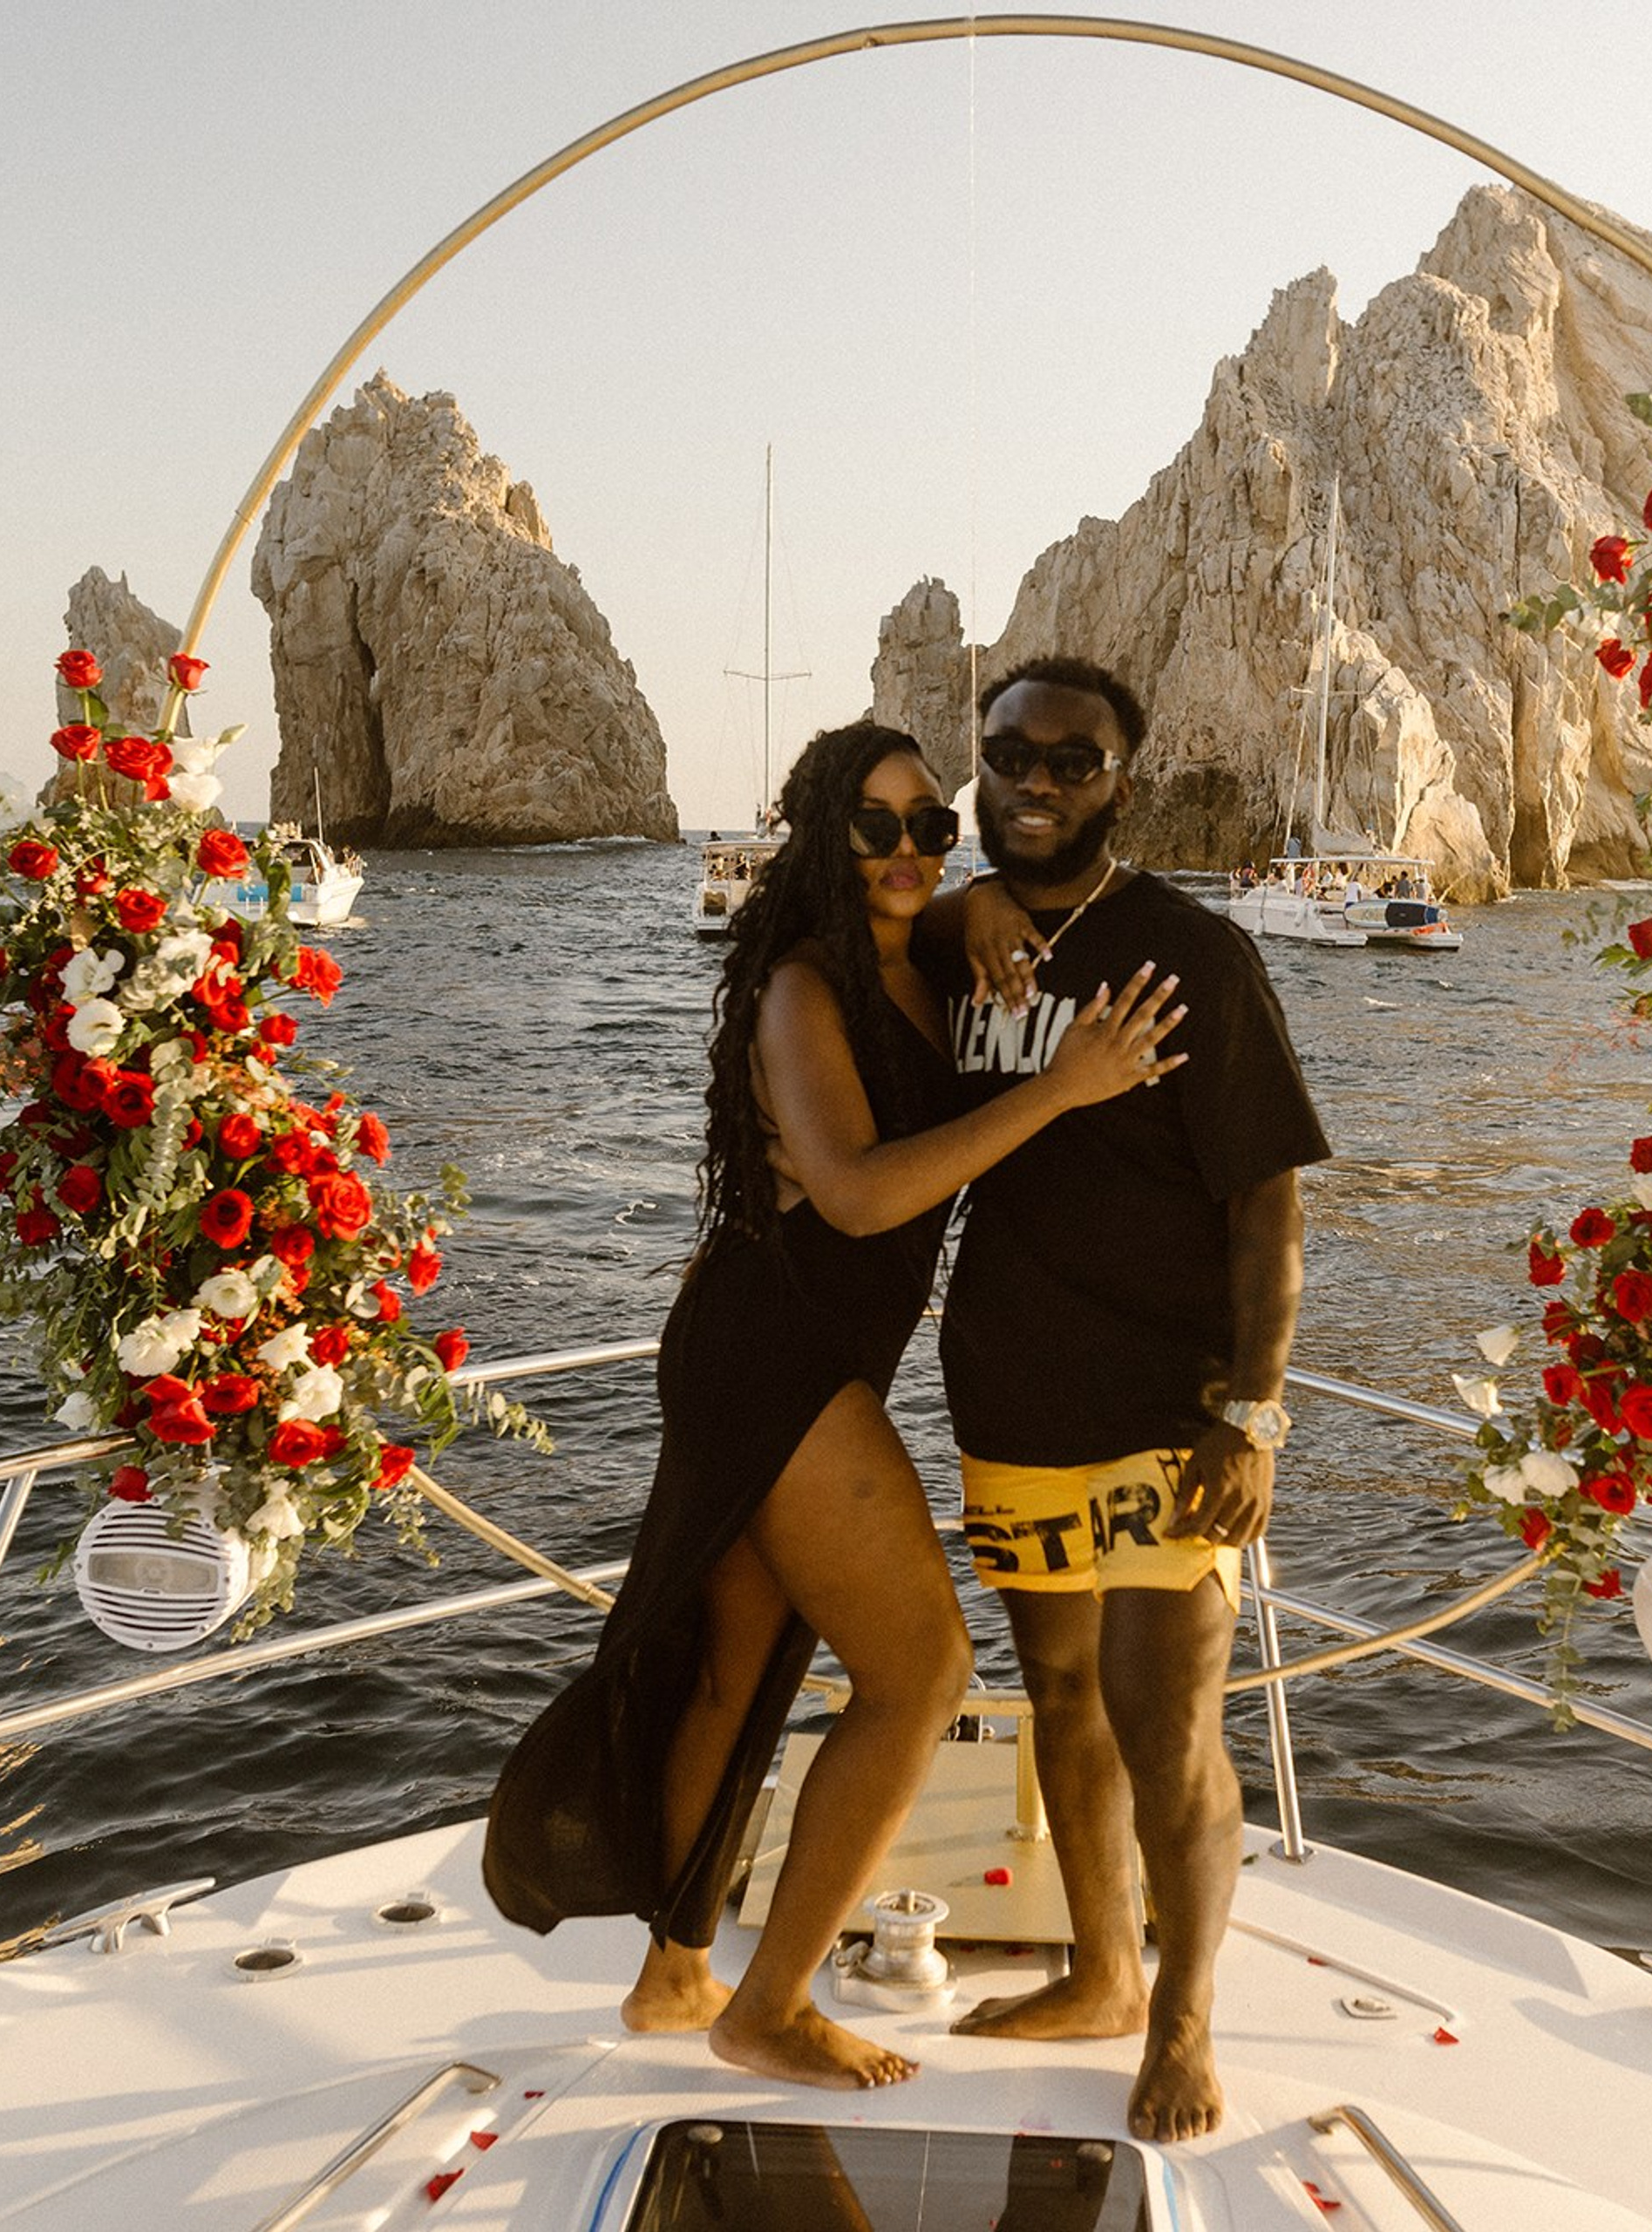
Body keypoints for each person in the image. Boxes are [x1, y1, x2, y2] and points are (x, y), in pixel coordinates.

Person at [483, 719, 1183, 2092]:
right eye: (875, 827)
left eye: (930, 824)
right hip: (776, 1352)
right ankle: (772, 2006)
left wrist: (977, 902)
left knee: (744, 1670)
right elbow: (858, 1191)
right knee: (922, 1676)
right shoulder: (805, 988)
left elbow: (967, 909)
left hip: (805, 1351)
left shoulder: (904, 957)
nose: (909, 850)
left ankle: (680, 1972)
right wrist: (1064, 1088)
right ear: (821, 839)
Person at [916, 657, 1329, 2142]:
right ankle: (1099, 1974)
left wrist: (1257, 1413)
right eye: (1010, 753)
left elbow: (1267, 1204)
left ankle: (1185, 2019)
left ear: (1120, 783)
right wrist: (965, 911)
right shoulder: (956, 947)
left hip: (1174, 1407)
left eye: (1070, 763)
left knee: (1171, 1725)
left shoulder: (1191, 959)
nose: (1033, 782)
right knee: (1063, 1701)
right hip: (1011, 1396)